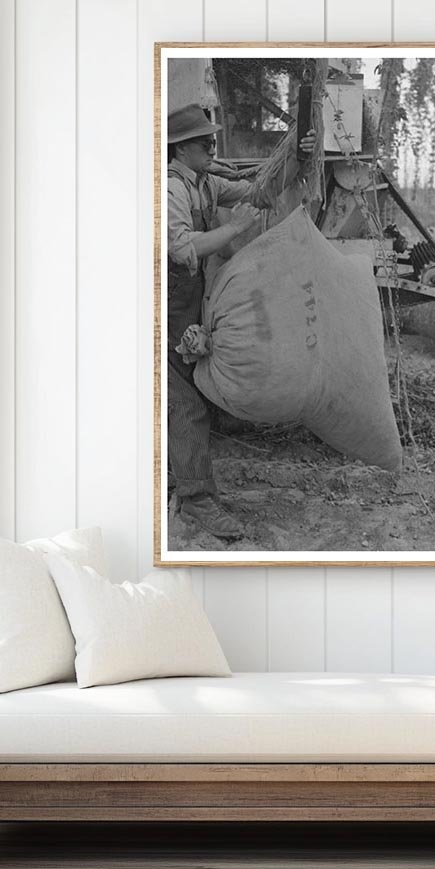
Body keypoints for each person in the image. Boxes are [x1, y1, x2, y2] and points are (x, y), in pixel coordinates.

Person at [165, 102, 316, 540]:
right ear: (179, 148)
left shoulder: (204, 183)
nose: (213, 146)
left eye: (212, 139)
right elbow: (180, 249)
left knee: (192, 397)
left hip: (185, 303)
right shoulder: (170, 190)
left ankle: (189, 484)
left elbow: (258, 192)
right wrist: (234, 230)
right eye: (203, 142)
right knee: (185, 402)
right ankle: (194, 502)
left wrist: (298, 157)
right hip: (160, 305)